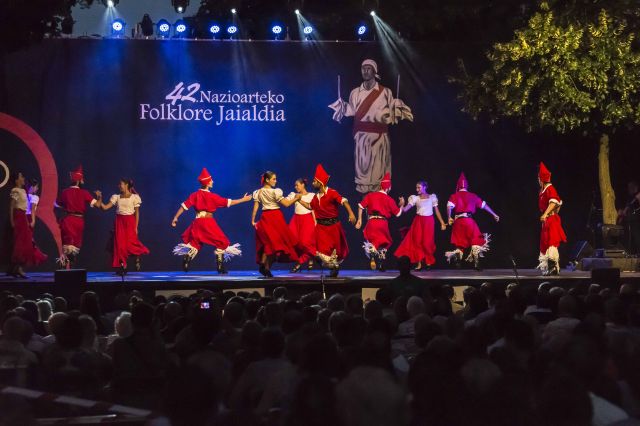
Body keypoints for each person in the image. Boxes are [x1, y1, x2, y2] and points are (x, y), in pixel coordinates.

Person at [329, 59, 413, 194]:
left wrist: (396, 107)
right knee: (363, 174)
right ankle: (363, 210)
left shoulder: (385, 92)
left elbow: (391, 111)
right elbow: (352, 111)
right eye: (363, 68)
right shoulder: (355, 92)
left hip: (380, 137)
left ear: (375, 71)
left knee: (378, 173)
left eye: (369, 68)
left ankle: (378, 209)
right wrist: (342, 106)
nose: (365, 71)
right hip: (361, 137)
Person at [171, 168, 251, 274]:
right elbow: (228, 202)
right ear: (208, 183)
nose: (213, 182)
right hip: (208, 222)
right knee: (222, 241)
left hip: (197, 222)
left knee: (195, 243)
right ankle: (220, 266)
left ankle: (187, 258)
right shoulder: (212, 197)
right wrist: (243, 200)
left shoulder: (194, 195)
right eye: (211, 180)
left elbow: (184, 206)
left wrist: (175, 217)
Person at [297, 164, 357, 277]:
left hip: (333, 226)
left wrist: (351, 213)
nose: (312, 183)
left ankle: (334, 269)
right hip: (321, 228)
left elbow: (344, 201)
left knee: (335, 252)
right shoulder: (316, 197)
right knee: (317, 250)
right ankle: (331, 267)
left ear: (321, 182)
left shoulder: (332, 193)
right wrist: (298, 199)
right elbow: (310, 206)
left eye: (314, 181)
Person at [251, 171, 301, 278]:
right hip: (275, 218)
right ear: (267, 180)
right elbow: (286, 204)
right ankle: (265, 267)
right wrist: (296, 198)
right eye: (273, 179)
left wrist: (253, 220)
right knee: (275, 244)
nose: (275, 181)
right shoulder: (275, 192)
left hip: (265, 217)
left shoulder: (258, 192)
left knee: (269, 244)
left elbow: (256, 207)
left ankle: (264, 266)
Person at [445, 173, 499, 270]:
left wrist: (449, 217)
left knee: (460, 242)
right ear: (467, 186)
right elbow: (484, 205)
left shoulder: (454, 196)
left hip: (458, 222)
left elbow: (449, 206)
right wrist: (494, 214)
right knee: (475, 240)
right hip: (469, 221)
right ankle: (476, 263)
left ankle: (458, 259)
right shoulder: (473, 196)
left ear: (458, 186)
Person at [97, 178, 149, 274]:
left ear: (126, 185)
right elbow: (104, 208)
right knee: (120, 245)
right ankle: (123, 265)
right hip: (119, 222)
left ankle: (137, 257)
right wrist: (99, 198)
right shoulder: (116, 197)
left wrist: (136, 227)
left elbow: (137, 213)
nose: (119, 186)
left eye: (120, 184)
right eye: (119, 184)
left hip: (130, 222)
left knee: (131, 244)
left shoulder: (134, 197)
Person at [356, 172, 405, 271]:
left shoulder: (371, 195)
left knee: (372, 241)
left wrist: (359, 220)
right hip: (382, 223)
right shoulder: (389, 199)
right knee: (384, 243)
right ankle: (381, 264)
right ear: (388, 188)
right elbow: (398, 214)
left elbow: (360, 206)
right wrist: (402, 204)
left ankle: (372, 256)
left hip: (372, 222)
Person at [394, 181, 447, 271]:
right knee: (417, 241)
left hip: (429, 221)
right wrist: (402, 204)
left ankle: (428, 262)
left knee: (427, 242)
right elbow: (405, 210)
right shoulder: (415, 198)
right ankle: (419, 263)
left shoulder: (432, 198)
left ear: (424, 187)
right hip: (418, 221)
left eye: (419, 187)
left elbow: (436, 211)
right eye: (416, 187)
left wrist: (442, 222)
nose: (417, 189)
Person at [55, 166, 100, 268]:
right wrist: (99, 196)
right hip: (78, 221)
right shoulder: (84, 193)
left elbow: (57, 204)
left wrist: (64, 210)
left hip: (68, 220)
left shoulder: (65, 192)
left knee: (68, 246)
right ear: (79, 181)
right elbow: (98, 205)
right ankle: (68, 265)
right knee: (73, 247)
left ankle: (65, 265)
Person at [7, 172, 47, 277]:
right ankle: (18, 268)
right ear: (16, 180)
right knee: (21, 242)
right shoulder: (15, 190)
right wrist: (12, 220)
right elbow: (12, 206)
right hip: (18, 216)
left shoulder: (23, 191)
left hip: (23, 216)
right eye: (21, 177)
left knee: (25, 242)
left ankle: (16, 268)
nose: (23, 178)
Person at [538, 162, 567, 276]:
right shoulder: (544, 190)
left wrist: (546, 214)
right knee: (546, 243)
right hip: (548, 221)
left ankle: (553, 267)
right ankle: (550, 267)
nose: (538, 181)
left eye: (539, 178)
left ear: (542, 179)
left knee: (551, 243)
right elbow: (557, 204)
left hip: (551, 220)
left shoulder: (550, 189)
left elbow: (554, 202)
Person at [287, 178, 316, 273]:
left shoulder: (311, 195)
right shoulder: (293, 194)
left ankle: (299, 262)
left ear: (303, 185)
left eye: (297, 185)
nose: (295, 187)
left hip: (307, 220)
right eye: (295, 185)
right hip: (296, 220)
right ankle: (307, 257)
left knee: (306, 243)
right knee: (293, 241)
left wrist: (316, 222)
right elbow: (285, 202)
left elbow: (312, 209)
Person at [617, 180, 640, 255]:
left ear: (635, 187)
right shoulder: (630, 198)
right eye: (628, 187)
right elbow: (627, 209)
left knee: (637, 239)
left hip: (636, 222)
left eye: (630, 187)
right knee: (628, 240)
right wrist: (621, 215)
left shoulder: (638, 195)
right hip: (629, 222)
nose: (628, 188)